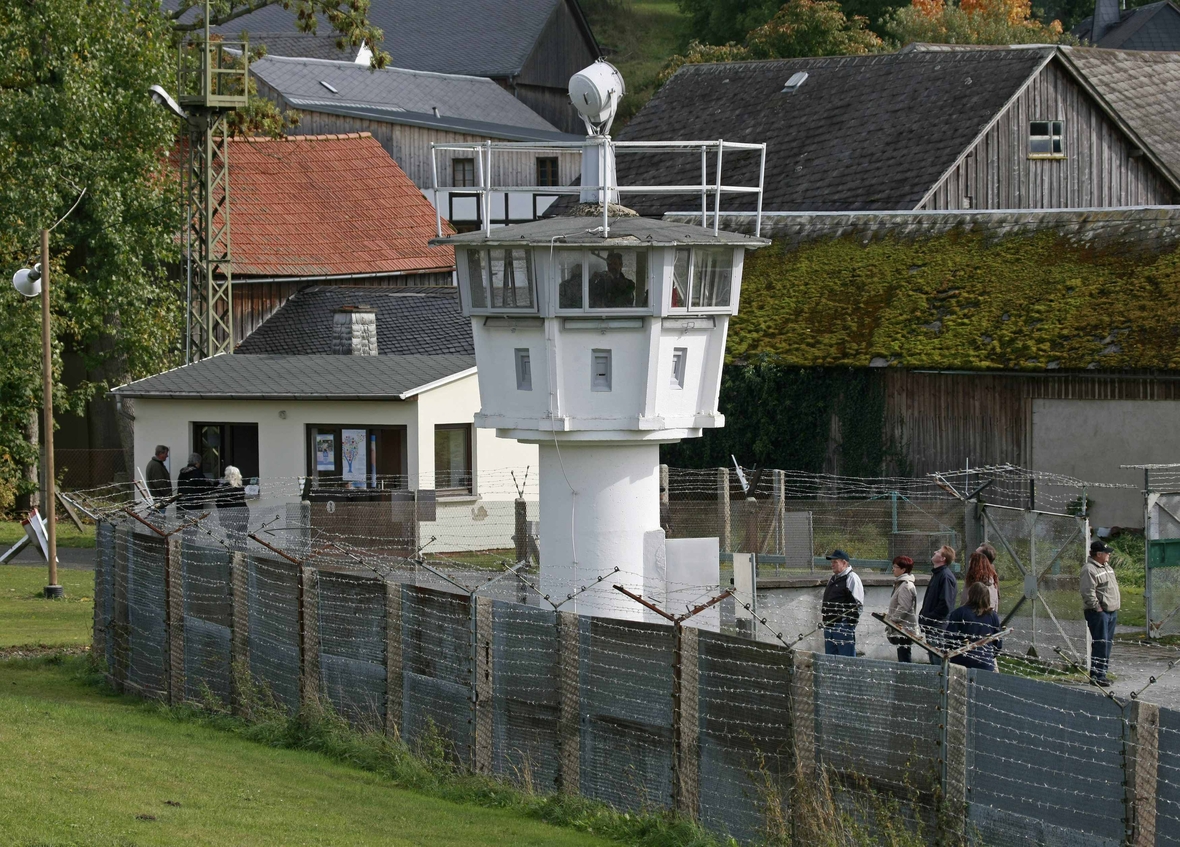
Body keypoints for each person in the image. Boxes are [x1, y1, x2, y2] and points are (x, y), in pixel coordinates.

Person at [1081, 539, 1121, 687]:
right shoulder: (1089, 569)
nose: (1109, 554)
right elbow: (1087, 591)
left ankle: (1101, 673)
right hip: (1099, 613)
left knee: (1107, 644)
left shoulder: (1106, 567)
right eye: (1106, 552)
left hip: (1111, 611)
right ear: (1098, 554)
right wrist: (1097, 608)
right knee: (1101, 643)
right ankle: (1097, 675)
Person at [946, 582, 1003, 672]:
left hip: (961, 661)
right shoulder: (992, 616)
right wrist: (989, 656)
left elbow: (949, 638)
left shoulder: (959, 613)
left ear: (970, 595)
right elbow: (998, 642)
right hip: (985, 661)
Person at [821, 549, 864, 657]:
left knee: (846, 660)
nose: (832, 565)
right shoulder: (833, 578)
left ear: (844, 563)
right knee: (831, 660)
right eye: (831, 562)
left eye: (835, 562)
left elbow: (857, 604)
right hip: (829, 625)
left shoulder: (851, 578)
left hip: (842, 626)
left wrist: (847, 625)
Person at [919, 544, 958, 664]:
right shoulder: (937, 574)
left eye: (938, 552)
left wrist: (929, 617)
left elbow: (945, 605)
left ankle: (942, 682)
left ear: (943, 559)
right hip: (932, 625)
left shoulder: (945, 576)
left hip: (938, 627)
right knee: (933, 659)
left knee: (938, 661)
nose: (935, 552)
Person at [886, 555, 919, 662]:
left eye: (895, 567)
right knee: (902, 654)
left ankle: (906, 677)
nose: (893, 569)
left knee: (904, 656)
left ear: (903, 569)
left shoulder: (906, 585)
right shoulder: (900, 584)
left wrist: (892, 620)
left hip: (904, 628)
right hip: (901, 628)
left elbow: (904, 607)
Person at [216, 465, 250, 549]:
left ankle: (234, 555)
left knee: (232, 538)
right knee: (241, 538)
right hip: (242, 514)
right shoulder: (240, 487)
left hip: (230, 516)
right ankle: (242, 555)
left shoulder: (225, 488)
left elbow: (219, 502)